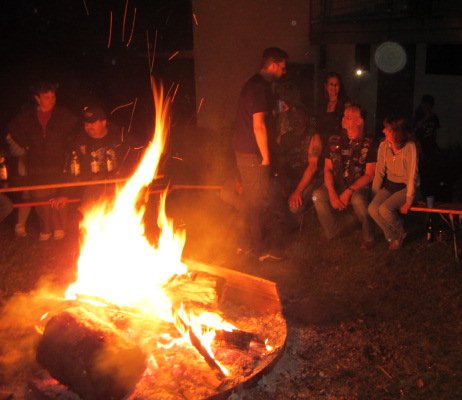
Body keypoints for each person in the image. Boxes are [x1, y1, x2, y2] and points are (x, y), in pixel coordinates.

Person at [232, 46, 288, 260]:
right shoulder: (258, 87)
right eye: (282, 67)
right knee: (258, 201)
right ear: (273, 65)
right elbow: (258, 126)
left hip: (245, 151)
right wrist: (265, 158)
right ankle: (260, 249)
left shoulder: (258, 85)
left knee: (252, 200)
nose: (284, 71)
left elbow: (263, 112)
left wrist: (278, 107)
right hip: (253, 154)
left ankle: (244, 244)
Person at [7, 81, 77, 240]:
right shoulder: (28, 116)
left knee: (58, 195)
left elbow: (75, 130)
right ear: (37, 98)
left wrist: (67, 147)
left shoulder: (62, 115)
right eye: (47, 97)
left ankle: (59, 228)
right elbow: (12, 130)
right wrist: (25, 145)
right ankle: (46, 228)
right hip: (35, 164)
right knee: (40, 198)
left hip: (58, 162)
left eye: (53, 97)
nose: (51, 100)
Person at [312, 104, 377, 249]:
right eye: (344, 115)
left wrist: (348, 192)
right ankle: (332, 232)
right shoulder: (334, 140)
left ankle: (368, 236)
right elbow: (327, 169)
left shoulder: (369, 143)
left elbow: (369, 174)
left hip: (359, 185)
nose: (344, 119)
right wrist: (331, 193)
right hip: (338, 183)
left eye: (348, 117)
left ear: (359, 121)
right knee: (317, 196)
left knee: (358, 200)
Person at [368, 116, 419, 250]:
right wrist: (374, 194)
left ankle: (400, 232)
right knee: (372, 209)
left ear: (397, 132)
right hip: (390, 185)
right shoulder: (384, 146)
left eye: (388, 129)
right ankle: (392, 236)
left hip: (406, 187)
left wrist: (409, 201)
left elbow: (412, 175)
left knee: (385, 209)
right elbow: (379, 172)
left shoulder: (410, 147)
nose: (383, 131)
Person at [271, 104, 322, 227]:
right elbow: (280, 163)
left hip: (309, 181)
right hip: (290, 179)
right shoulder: (285, 138)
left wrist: (298, 191)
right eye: (292, 116)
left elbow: (312, 167)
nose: (295, 119)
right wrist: (283, 183)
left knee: (294, 207)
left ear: (305, 117)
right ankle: (289, 221)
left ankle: (294, 220)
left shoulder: (313, 137)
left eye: (298, 116)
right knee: (269, 190)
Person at [72, 105, 125, 210]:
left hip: (117, 188)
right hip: (91, 190)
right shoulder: (80, 141)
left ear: (103, 122)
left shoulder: (119, 137)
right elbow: (74, 168)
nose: (88, 127)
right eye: (86, 123)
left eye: (92, 123)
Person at [413, 94, 441, 198]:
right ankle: (422, 195)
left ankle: (431, 195)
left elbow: (436, 132)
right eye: (425, 104)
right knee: (422, 172)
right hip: (422, 148)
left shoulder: (434, 117)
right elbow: (415, 130)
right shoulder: (418, 116)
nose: (426, 106)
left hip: (432, 148)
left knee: (431, 172)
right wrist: (425, 118)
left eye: (428, 105)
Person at [315, 72, 349, 145]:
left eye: (336, 84)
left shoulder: (345, 105)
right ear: (326, 86)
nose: (334, 87)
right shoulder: (321, 105)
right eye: (331, 84)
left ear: (340, 86)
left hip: (338, 143)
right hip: (322, 143)